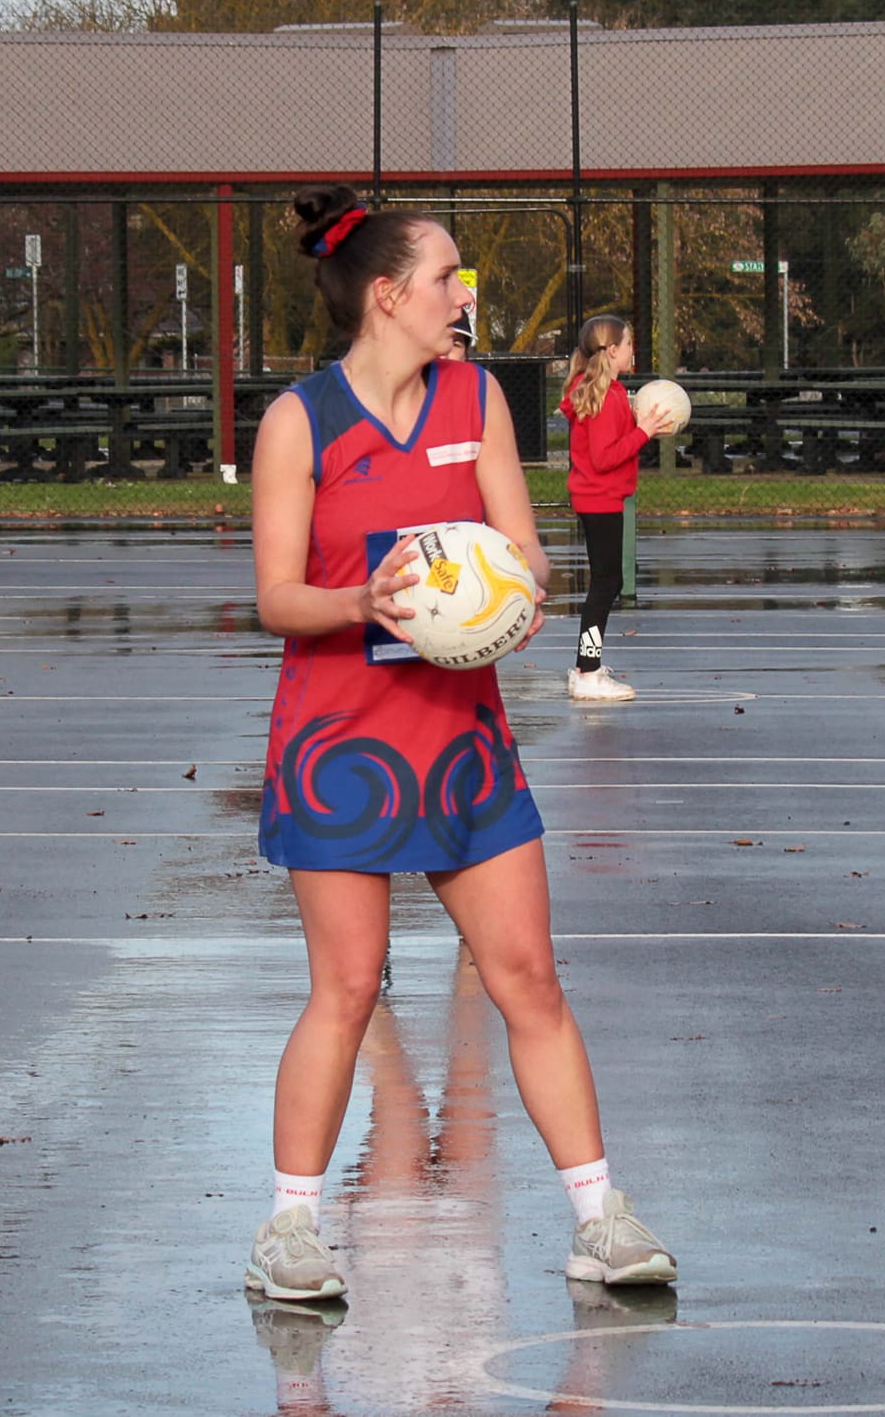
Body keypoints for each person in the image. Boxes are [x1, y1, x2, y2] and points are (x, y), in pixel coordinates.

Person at [246, 185, 676, 1304]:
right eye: (447, 279)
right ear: (386, 295)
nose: (462, 297)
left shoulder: (475, 397)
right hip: (341, 741)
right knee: (344, 987)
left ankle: (600, 1221)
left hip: (463, 742)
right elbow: (277, 598)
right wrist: (367, 603)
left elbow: (526, 549)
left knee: (526, 974)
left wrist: (510, 594)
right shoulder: (301, 421)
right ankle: (290, 1231)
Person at [559, 314, 679, 702]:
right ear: (611, 350)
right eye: (628, 344)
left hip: (598, 496)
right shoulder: (605, 398)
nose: (632, 350)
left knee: (605, 583)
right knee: (605, 584)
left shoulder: (604, 392)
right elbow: (604, 456)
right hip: (600, 497)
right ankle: (587, 670)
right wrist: (643, 431)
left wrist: (639, 423)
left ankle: (586, 667)